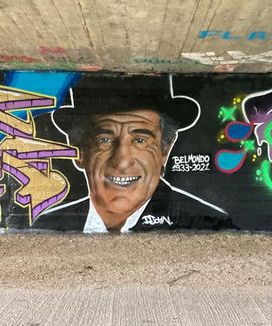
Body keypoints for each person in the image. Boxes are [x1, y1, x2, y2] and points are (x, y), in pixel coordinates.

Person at [36, 75, 235, 233]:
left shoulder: (207, 225)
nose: (122, 161)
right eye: (104, 140)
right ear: (79, 151)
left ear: (165, 149)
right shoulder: (49, 226)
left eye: (140, 141)